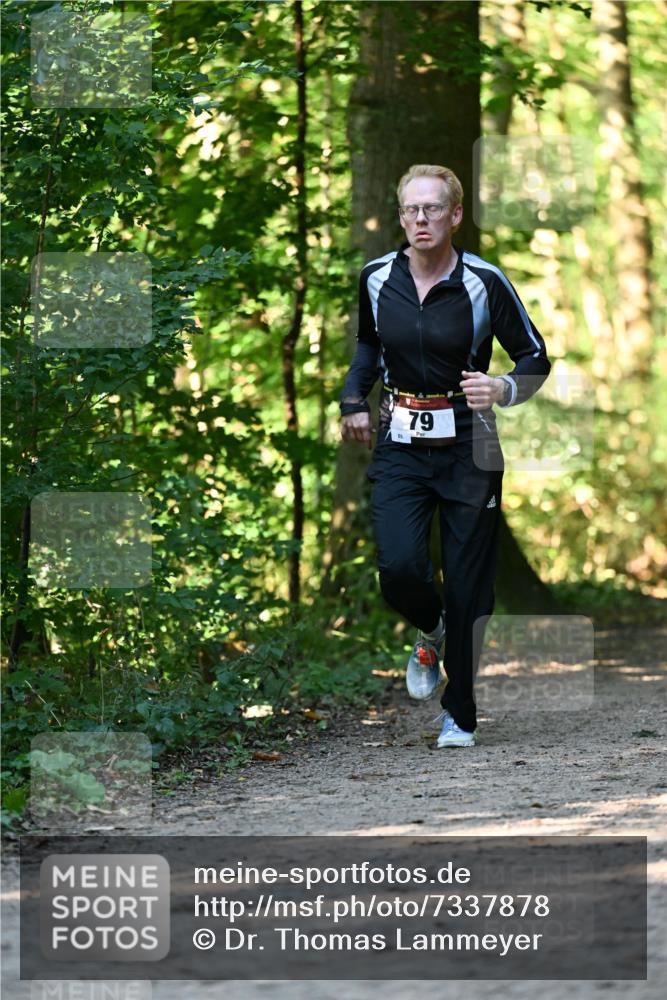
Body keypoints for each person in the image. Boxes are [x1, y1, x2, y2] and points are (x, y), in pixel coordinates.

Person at [339, 164, 551, 748]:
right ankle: (431, 631)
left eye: (433, 209)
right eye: (411, 210)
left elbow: (534, 356)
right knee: (400, 569)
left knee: (467, 584)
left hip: (470, 443)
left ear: (455, 215)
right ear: (401, 215)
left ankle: (460, 713)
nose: (420, 220)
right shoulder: (377, 277)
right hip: (401, 441)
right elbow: (368, 344)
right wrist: (353, 399)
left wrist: (503, 388)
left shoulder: (484, 280)